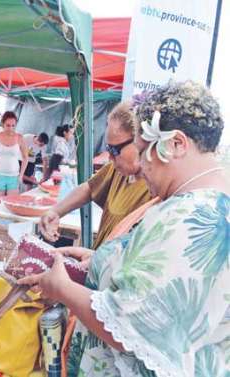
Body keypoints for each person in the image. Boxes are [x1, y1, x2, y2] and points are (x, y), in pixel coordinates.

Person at [19, 81, 229, 376]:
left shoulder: (189, 217)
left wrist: (63, 289)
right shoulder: (202, 205)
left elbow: (131, 325)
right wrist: (102, 259)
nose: (141, 165)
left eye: (144, 152)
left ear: (177, 144)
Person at [40, 103, 152, 249]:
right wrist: (55, 211)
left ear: (140, 141)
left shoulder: (158, 188)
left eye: (115, 150)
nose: (110, 157)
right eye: (108, 148)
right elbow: (89, 188)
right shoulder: (117, 170)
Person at [0, 111, 28, 204]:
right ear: (2, 124)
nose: (11, 128)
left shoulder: (20, 138)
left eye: (13, 125)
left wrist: (21, 175)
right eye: (8, 125)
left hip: (14, 177)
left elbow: (25, 158)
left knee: (12, 205)